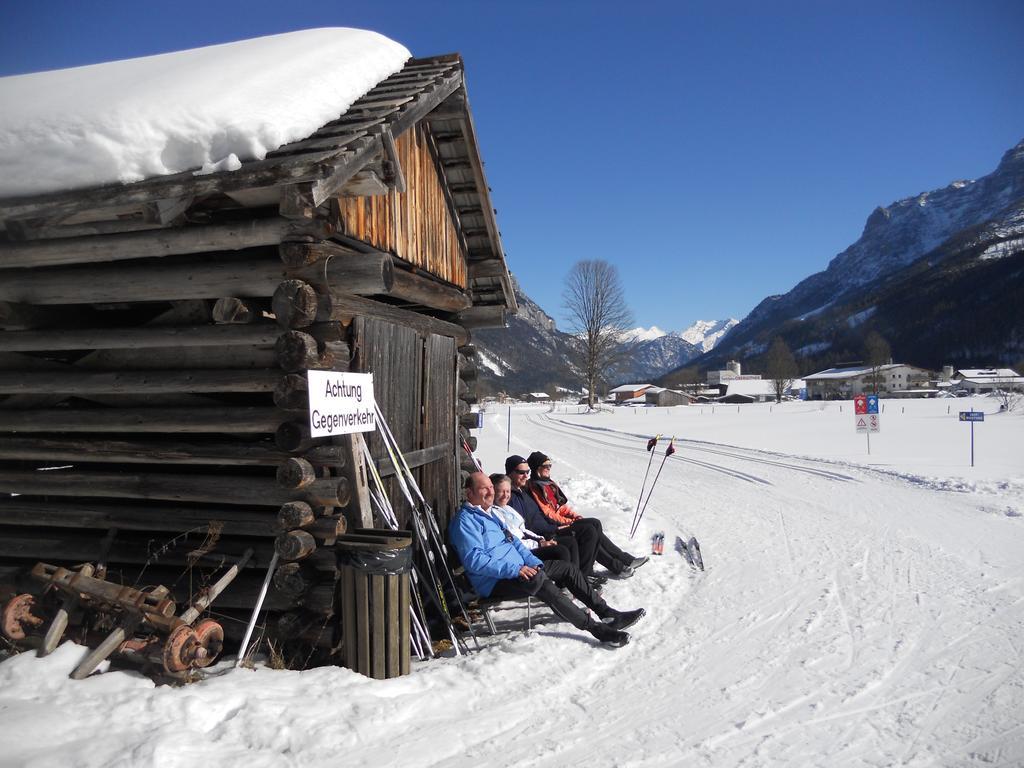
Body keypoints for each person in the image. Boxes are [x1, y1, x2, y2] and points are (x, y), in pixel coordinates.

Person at [449, 472, 645, 648]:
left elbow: (515, 544)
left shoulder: (490, 514)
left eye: (491, 487)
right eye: (484, 488)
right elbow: (475, 561)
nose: (490, 492)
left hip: (520, 568)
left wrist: (532, 563)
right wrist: (516, 570)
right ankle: (598, 630)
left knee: (567, 568)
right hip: (494, 581)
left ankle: (608, 614)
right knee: (541, 583)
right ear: (469, 493)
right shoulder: (465, 522)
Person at [526, 451, 649, 576]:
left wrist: (574, 516)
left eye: (550, 466)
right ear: (537, 468)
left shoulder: (547, 483)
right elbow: (549, 513)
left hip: (561, 522)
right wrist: (570, 522)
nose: (548, 469)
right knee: (590, 529)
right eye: (545, 466)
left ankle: (622, 562)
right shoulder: (535, 487)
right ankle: (618, 565)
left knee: (595, 524)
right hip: (555, 527)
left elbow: (560, 507)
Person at [505, 454, 605, 586]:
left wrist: (561, 522)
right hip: (543, 535)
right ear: (510, 473)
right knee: (585, 532)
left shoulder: (524, 490)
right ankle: (578, 581)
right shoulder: (510, 497)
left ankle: (583, 577)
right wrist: (554, 528)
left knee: (593, 525)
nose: (525, 476)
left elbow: (547, 511)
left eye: (527, 472)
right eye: (521, 472)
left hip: (551, 527)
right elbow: (526, 526)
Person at [488, 473, 576, 568]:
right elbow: (513, 539)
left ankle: (578, 577)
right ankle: (567, 579)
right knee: (560, 551)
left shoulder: (508, 508)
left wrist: (540, 539)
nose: (505, 495)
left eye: (508, 491)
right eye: (501, 491)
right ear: (493, 492)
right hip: (521, 551)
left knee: (570, 542)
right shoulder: (493, 513)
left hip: (530, 543)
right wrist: (539, 544)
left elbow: (523, 530)